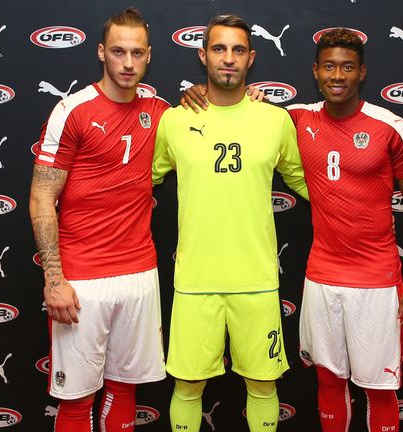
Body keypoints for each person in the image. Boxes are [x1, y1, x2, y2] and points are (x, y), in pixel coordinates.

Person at [152, 14, 309, 432]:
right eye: (219, 49)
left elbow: (307, 183)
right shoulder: (173, 120)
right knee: (187, 386)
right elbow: (137, 182)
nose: (228, 59)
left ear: (251, 58)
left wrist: (363, 199)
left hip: (255, 279)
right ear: (203, 55)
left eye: (238, 50)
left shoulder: (275, 120)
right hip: (195, 280)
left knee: (263, 384)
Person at [28, 8, 169, 432]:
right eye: (119, 52)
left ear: (148, 56)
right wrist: (55, 279)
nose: (128, 63)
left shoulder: (161, 110)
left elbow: (216, 117)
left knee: (126, 390)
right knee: (76, 400)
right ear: (101, 53)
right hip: (83, 279)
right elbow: (41, 198)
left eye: (137, 53)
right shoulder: (72, 110)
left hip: (140, 272)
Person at [288, 28, 403, 432]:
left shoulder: (389, 126)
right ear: (316, 72)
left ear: (362, 72)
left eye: (347, 67)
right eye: (329, 66)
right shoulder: (296, 118)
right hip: (321, 277)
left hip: (376, 280)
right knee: (328, 380)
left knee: (379, 387)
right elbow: (239, 110)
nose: (338, 76)